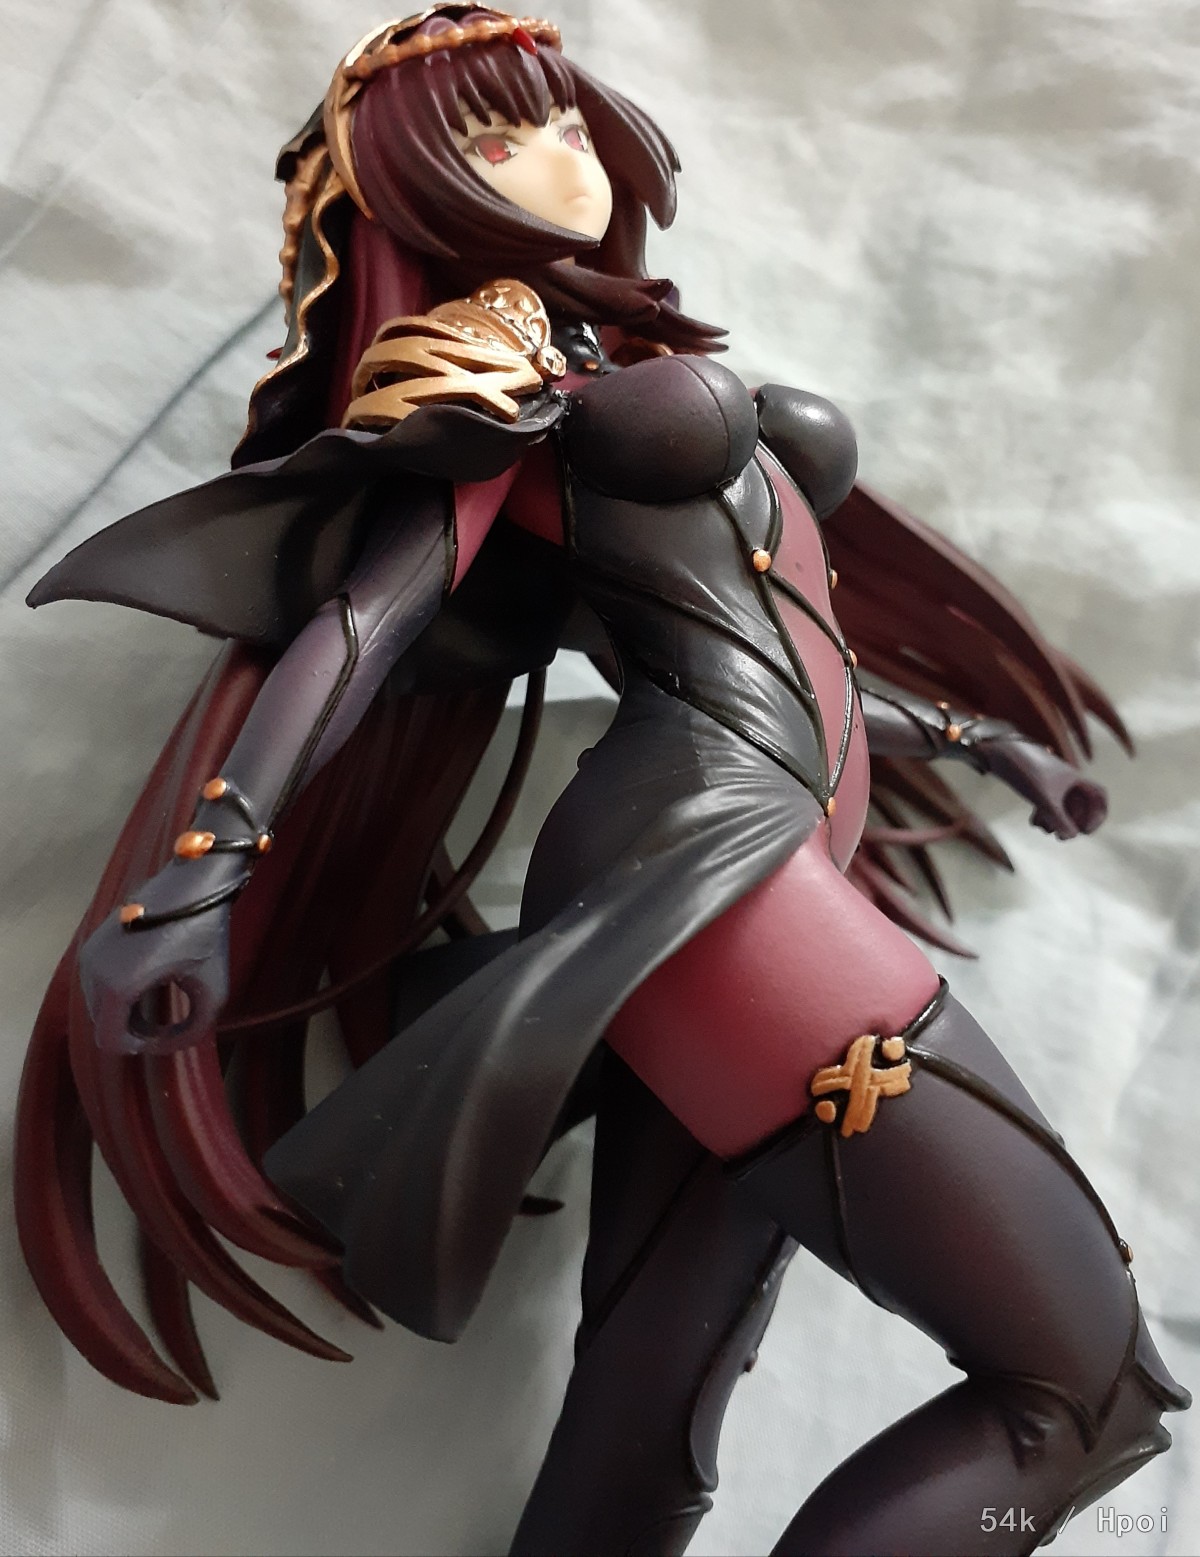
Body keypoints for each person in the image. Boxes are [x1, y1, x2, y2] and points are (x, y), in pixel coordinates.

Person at [15, 9, 1187, 1554]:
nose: (559, 153)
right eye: (499, 132)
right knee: (1083, 1394)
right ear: (407, 180)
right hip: (715, 883)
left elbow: (792, 655)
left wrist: (982, 743)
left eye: (564, 118)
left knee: (645, 1427)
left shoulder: (592, 361)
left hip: (736, 874)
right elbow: (364, 623)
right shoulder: (482, 374)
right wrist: (202, 873)